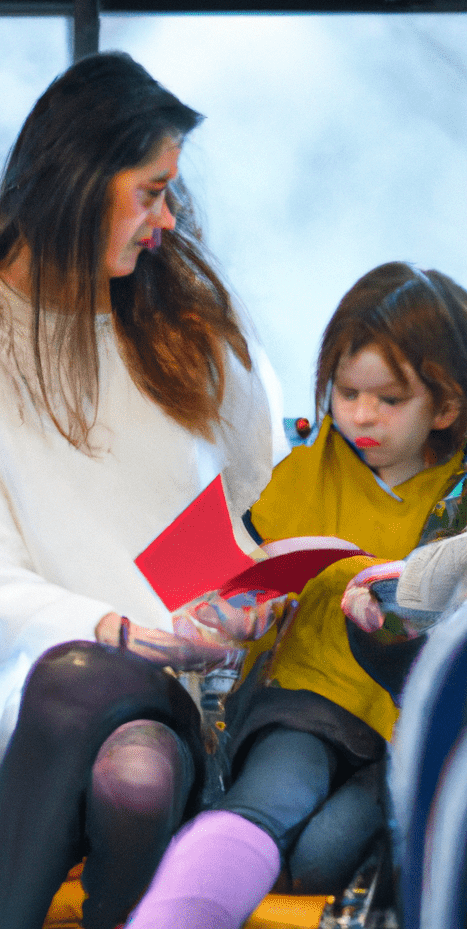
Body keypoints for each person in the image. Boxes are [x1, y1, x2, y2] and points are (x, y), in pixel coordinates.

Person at [0, 51, 287, 929]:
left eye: (170, 193)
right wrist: (114, 632)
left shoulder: (191, 329)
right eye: (150, 192)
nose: (167, 221)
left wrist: (239, 606)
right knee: (96, 716)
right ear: (77, 181)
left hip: (189, 681)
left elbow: (262, 516)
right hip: (22, 688)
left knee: (137, 767)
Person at [124, 262, 467, 929]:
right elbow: (207, 581)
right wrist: (233, 613)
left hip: (410, 728)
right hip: (306, 705)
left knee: (321, 856)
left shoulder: (457, 496)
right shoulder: (309, 466)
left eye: (389, 400)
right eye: (345, 392)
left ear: (447, 405)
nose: (360, 416)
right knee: (272, 798)